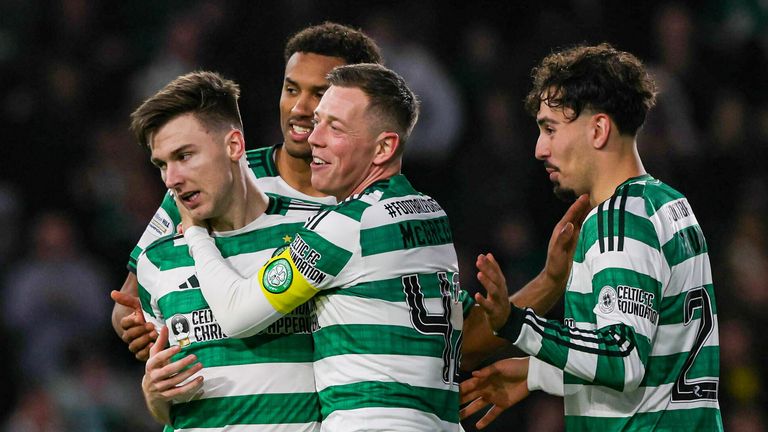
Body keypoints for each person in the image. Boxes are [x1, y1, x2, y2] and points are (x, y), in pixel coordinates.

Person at [173, 63, 461, 431]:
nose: (313, 138)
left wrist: (197, 234)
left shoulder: (349, 224)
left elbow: (236, 314)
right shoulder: (431, 214)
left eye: (335, 128)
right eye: (319, 121)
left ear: (384, 147)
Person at [460, 43, 723, 430]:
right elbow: (654, 363)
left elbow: (622, 357)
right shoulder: (670, 204)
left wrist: (518, 324)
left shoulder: (619, 218)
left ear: (598, 129)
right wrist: (538, 375)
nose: (539, 149)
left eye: (550, 128)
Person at [111, 22, 382, 361]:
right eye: (291, 89)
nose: (299, 108)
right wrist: (139, 327)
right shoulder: (213, 180)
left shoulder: (372, 206)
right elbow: (129, 302)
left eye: (320, 94)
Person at [133, 71, 324, 430]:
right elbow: (170, 405)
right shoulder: (155, 261)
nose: (172, 179)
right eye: (162, 164)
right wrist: (155, 394)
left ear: (234, 146)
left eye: (185, 156)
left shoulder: (315, 232)